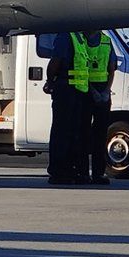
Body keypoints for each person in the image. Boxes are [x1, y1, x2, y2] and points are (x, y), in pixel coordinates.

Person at [43, 28, 115, 185]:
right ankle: (65, 172)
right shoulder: (81, 39)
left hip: (77, 91)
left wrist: (50, 81)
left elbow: (56, 62)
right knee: (71, 134)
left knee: (71, 134)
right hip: (77, 90)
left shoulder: (75, 37)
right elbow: (108, 68)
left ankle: (71, 171)